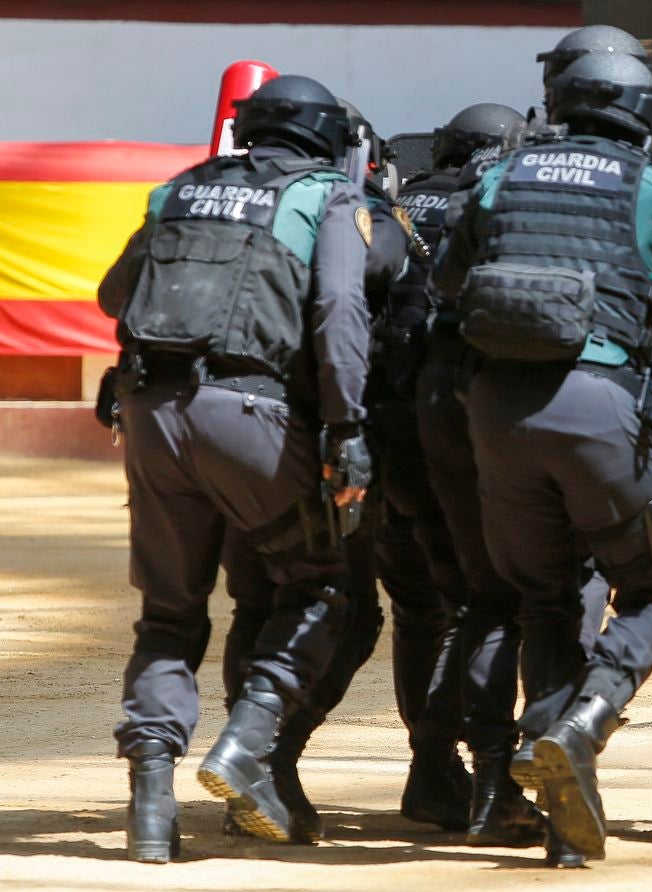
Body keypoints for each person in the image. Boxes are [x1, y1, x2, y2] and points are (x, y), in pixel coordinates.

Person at [434, 51, 652, 866]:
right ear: (643, 115)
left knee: (544, 599)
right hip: (598, 403)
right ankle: (584, 721)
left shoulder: (503, 176)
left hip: (496, 411)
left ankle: (567, 822)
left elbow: (449, 275)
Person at [97, 73, 370, 860]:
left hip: (151, 414)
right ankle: (246, 742)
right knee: (320, 585)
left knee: (171, 613)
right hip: (253, 415)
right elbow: (339, 314)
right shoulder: (326, 198)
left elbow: (116, 294)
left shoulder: (176, 190)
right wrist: (347, 427)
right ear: (325, 138)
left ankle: (151, 809)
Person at [217, 102, 474, 842]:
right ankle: (434, 770)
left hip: (285, 433)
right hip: (400, 447)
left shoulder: (261, 203)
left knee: (280, 603)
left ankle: (267, 768)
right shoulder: (368, 209)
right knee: (433, 609)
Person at [407, 101, 549, 847]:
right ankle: (469, 773)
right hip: (482, 420)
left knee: (419, 606)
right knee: (499, 603)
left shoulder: (399, 199)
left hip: (390, 423)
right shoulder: (509, 198)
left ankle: (438, 770)